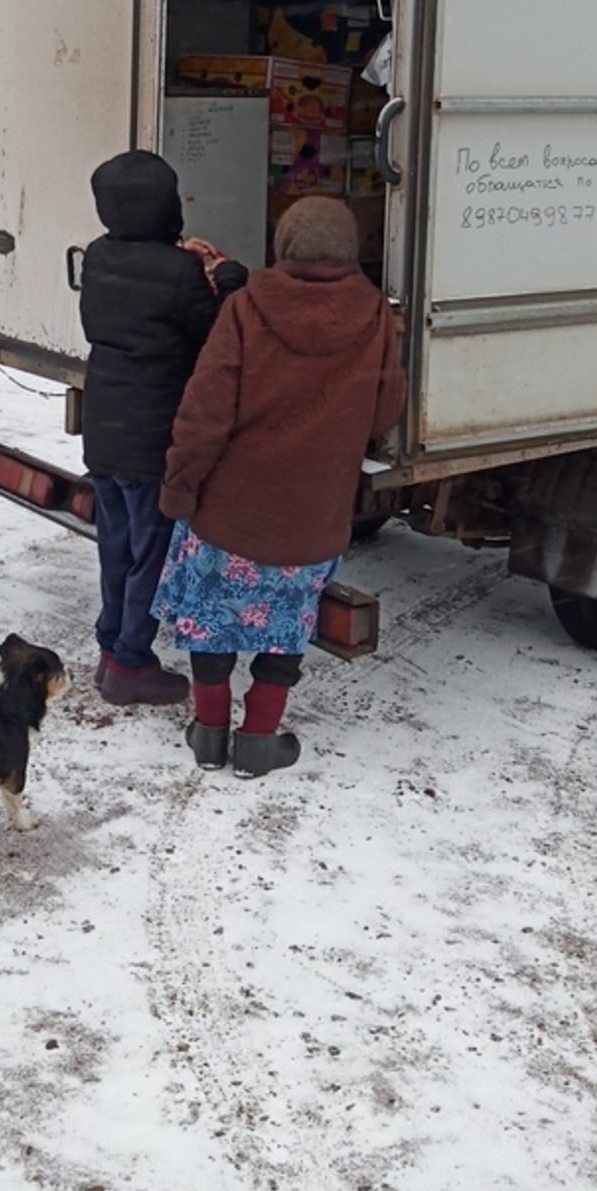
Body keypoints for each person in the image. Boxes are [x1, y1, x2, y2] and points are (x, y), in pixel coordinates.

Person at [153, 195, 406, 777]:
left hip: (229, 511)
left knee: (212, 620)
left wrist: (180, 487)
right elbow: (385, 409)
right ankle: (260, 741)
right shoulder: (373, 315)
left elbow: (203, 412)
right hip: (313, 518)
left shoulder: (245, 306)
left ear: (283, 245)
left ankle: (209, 733)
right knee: (285, 625)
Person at [79, 150, 246, 706]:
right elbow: (213, 331)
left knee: (117, 546)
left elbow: (142, 279)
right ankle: (130, 663)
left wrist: (180, 255)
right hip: (152, 436)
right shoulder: (178, 274)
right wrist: (227, 278)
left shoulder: (98, 256)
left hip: (103, 429)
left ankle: (111, 646)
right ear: (167, 206)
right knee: (153, 552)